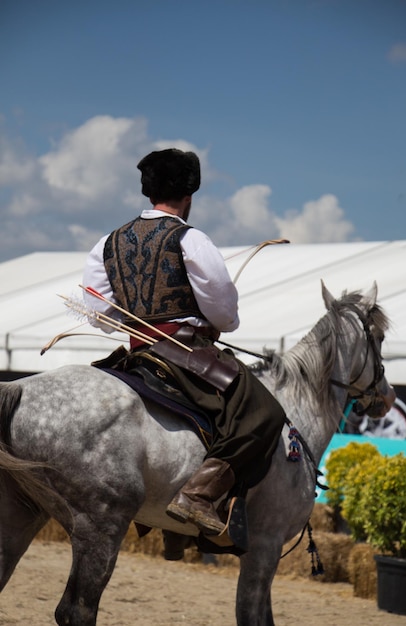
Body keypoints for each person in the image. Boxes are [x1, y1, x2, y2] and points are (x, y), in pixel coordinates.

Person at [83, 148, 286, 539]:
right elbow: (224, 310)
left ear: (149, 190)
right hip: (185, 354)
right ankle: (199, 495)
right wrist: (220, 324)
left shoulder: (106, 243)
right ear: (189, 195)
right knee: (265, 414)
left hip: (135, 354)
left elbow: (98, 314)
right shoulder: (191, 239)